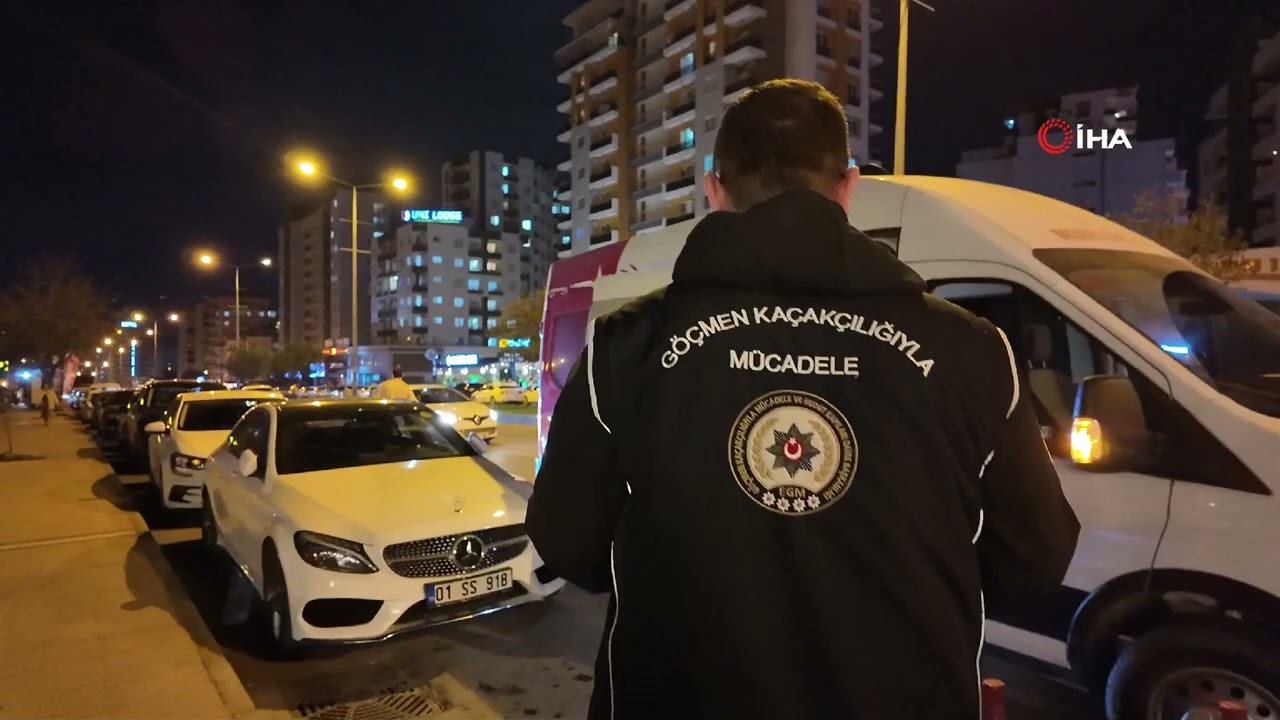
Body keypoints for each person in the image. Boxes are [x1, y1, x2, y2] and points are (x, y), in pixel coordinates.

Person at [526, 79, 1079, 720]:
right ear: (848, 187)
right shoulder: (974, 351)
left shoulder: (626, 345)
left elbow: (566, 539)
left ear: (715, 190)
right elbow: (1034, 559)